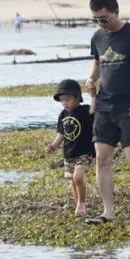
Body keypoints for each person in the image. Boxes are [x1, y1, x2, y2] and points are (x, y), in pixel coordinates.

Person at [84, 0, 130, 225]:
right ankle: (108, 210)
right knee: (102, 158)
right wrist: (90, 80)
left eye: (104, 18)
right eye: (96, 20)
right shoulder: (97, 37)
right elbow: (97, 65)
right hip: (104, 105)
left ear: (116, 12)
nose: (101, 24)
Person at [45, 79, 96, 215]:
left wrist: (93, 95)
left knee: (78, 177)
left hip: (85, 151)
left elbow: (94, 109)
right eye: (62, 100)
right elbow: (61, 133)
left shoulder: (84, 110)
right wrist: (53, 146)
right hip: (69, 153)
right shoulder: (63, 114)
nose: (64, 103)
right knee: (72, 181)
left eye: (67, 99)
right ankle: (77, 203)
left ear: (77, 98)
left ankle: (82, 202)